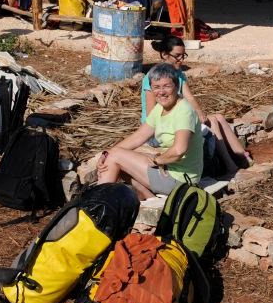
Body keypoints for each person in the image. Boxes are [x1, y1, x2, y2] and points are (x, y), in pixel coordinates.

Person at [142, 36, 251, 174]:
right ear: (164, 54)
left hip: (174, 120)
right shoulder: (153, 78)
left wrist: (199, 113)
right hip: (158, 131)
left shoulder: (178, 74)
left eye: (183, 55)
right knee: (212, 122)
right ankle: (230, 165)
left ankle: (242, 156)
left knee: (218, 117)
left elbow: (190, 98)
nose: (181, 60)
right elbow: (152, 115)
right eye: (177, 56)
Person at [98, 63, 203, 200]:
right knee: (117, 155)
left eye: (167, 86)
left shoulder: (184, 111)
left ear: (176, 87)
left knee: (117, 157)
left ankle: (97, 203)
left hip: (181, 180)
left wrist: (157, 160)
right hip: (170, 171)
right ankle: (150, 198)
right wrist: (106, 153)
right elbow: (137, 137)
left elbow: (179, 150)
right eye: (156, 87)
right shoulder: (160, 109)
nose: (161, 92)